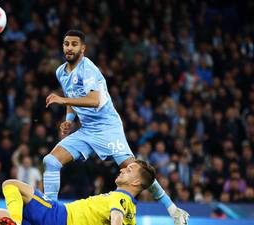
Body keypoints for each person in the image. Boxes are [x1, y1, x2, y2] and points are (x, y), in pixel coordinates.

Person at [44, 29, 188, 224]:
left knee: (135, 169)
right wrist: (69, 118)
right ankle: (49, 212)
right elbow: (73, 96)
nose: (69, 48)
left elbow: (94, 100)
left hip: (107, 128)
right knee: (51, 161)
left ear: (83, 48)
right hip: (87, 129)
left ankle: (173, 210)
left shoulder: (89, 70)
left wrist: (61, 100)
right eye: (66, 44)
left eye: (74, 44)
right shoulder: (61, 71)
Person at [0, 160, 155, 225]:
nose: (124, 169)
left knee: (11, 184)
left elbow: (115, 217)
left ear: (136, 183)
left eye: (130, 169)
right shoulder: (129, 211)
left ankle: (15, 220)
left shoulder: (121, 199)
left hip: (59, 217)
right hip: (56, 220)